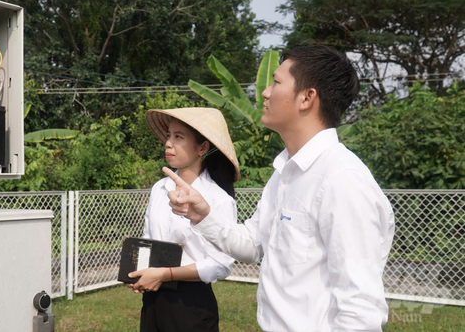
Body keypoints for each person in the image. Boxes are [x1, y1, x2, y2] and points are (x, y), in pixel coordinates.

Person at [165, 45, 396, 331]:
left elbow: (361, 310)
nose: (265, 92)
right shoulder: (285, 174)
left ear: (306, 98)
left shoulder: (342, 180)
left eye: (276, 82)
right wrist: (203, 215)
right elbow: (252, 245)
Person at [127, 108, 239, 332]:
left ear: (202, 148)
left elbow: (220, 264)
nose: (168, 143)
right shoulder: (159, 189)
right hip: (153, 300)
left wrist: (165, 274)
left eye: (178, 137)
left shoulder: (218, 199)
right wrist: (139, 271)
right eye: (169, 135)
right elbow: (149, 238)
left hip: (191, 305)